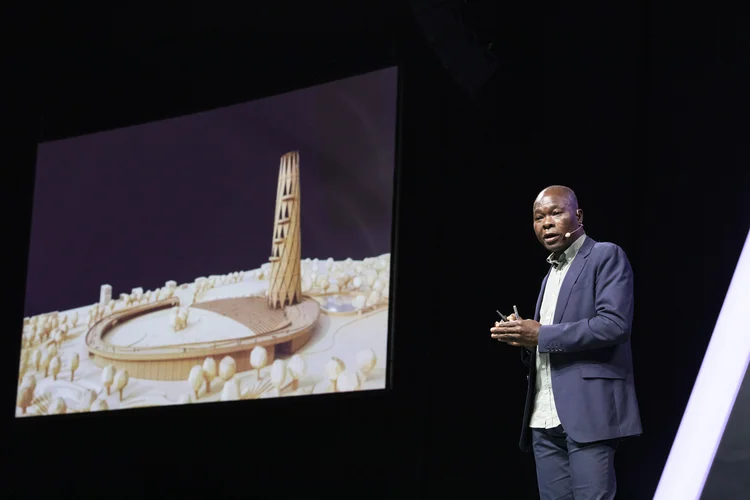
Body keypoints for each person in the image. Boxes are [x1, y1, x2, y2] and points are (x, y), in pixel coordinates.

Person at [490, 185, 642, 500]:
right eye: (538, 217)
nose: (546, 222)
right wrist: (524, 337)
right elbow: (548, 339)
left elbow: (614, 325)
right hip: (543, 416)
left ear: (578, 215)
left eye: (555, 212)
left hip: (587, 410)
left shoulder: (604, 255)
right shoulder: (549, 275)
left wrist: (540, 334)